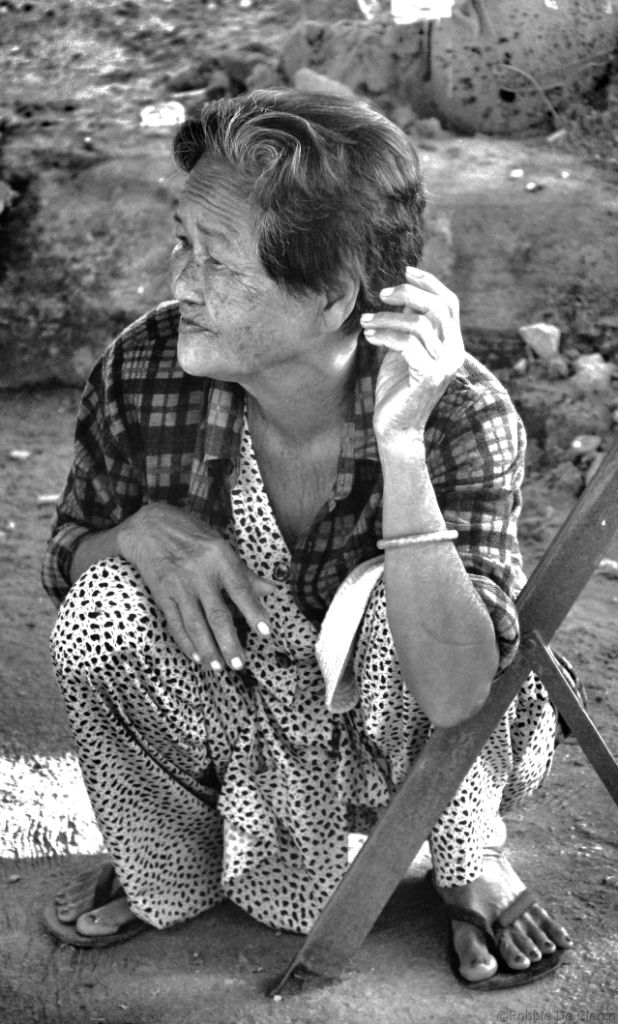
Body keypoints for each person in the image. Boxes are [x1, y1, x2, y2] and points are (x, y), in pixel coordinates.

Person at [42, 87, 573, 988]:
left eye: (218, 260)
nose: (181, 283)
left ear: (331, 297)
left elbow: (457, 693)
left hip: (409, 733)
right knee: (104, 603)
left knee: (402, 595)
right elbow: (68, 558)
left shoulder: (462, 413)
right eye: (182, 242)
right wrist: (137, 534)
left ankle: (468, 856)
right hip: (241, 710)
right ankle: (169, 861)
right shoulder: (143, 367)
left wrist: (401, 448)